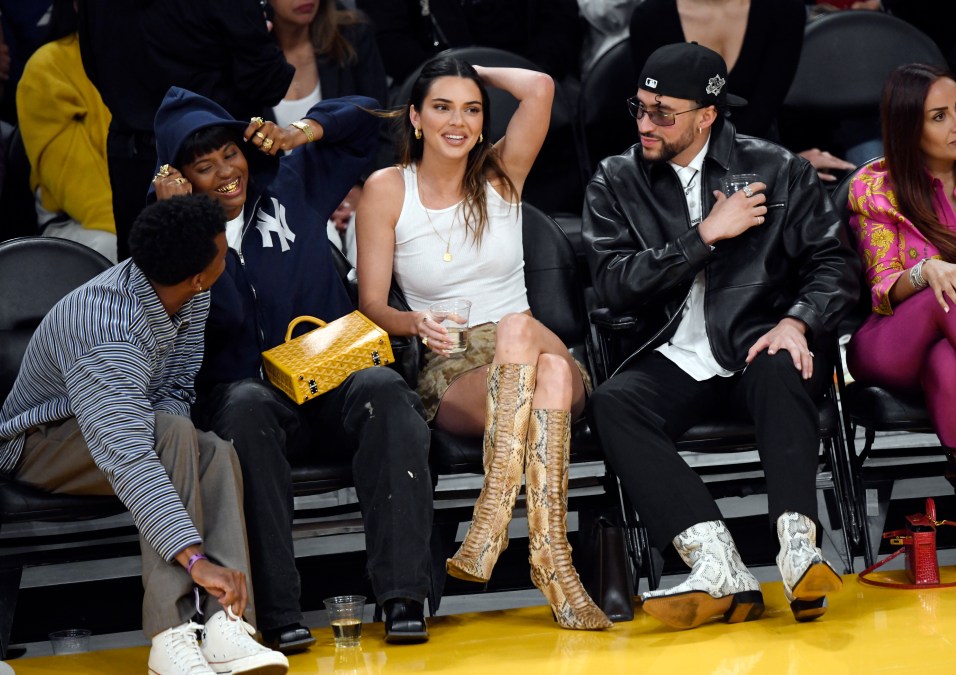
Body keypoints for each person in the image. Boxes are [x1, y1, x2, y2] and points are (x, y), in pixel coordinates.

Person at [583, 42, 859, 630]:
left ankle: (799, 550)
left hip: (758, 340)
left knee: (783, 363)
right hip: (671, 354)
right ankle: (717, 562)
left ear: (707, 115)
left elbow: (834, 265)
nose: (645, 124)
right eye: (640, 108)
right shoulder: (615, 179)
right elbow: (611, 286)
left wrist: (797, 320)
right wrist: (703, 236)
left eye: (663, 113)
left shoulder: (779, 168)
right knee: (613, 403)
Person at [152, 86, 434, 649]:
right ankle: (278, 612)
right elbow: (169, 329)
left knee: (384, 388)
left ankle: (404, 594)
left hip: (331, 380)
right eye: (204, 167)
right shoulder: (170, 236)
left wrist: (298, 132)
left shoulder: (292, 180)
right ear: (179, 178)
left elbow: (367, 116)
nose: (226, 173)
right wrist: (180, 222)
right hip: (249, 403)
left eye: (230, 154)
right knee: (246, 406)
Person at [355, 56, 611, 631]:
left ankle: (492, 516)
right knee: (549, 376)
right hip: (455, 363)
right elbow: (372, 304)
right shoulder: (387, 189)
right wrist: (414, 322)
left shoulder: (500, 174)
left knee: (518, 329)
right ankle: (554, 564)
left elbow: (541, 85)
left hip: (530, 338)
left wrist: (468, 67)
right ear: (415, 117)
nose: (458, 121)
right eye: (442, 107)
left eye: (471, 109)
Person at [0, 195, 289, 675]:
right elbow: (129, 457)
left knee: (214, 450)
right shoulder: (105, 329)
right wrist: (194, 560)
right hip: (37, 443)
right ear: (198, 275)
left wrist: (184, 452)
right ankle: (170, 633)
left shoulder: (190, 294)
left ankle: (225, 622)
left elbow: (174, 389)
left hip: (130, 429)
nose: (227, 254)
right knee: (173, 435)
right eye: (223, 251)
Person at [75, 0, 294, 261]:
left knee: (153, 280)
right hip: (222, 152)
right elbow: (267, 81)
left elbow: (94, 67)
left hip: (135, 159)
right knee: (254, 275)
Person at [846, 63, 956, 490]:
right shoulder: (877, 188)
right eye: (939, 116)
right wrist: (927, 271)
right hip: (890, 340)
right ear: (909, 127)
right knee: (946, 291)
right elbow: (882, 287)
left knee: (946, 364)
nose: (955, 124)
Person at [628, 0, 857, 181]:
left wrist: (781, 164)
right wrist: (776, 166)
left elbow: (764, 110)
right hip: (676, 163)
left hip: (757, 155)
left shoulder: (784, 9)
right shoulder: (650, 17)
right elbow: (658, 115)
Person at [268, 0, 389, 260]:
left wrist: (361, 186)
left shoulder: (353, 34)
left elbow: (381, 125)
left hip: (351, 188)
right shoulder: (243, 57)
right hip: (276, 200)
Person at [16, 0, 115, 261]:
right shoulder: (47, 66)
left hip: (147, 212)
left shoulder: (147, 58)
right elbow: (85, 193)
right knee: (113, 246)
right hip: (74, 223)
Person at [356, 0, 583, 88]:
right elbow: (390, 41)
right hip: (433, 85)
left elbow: (561, 26)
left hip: (534, 78)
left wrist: (528, 77)